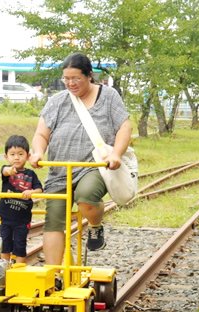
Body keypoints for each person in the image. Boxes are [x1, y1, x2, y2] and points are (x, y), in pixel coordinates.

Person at [30, 52, 132, 266]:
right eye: (66, 79)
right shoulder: (57, 101)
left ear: (89, 76)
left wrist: (116, 154)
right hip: (59, 170)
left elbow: (124, 126)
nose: (70, 83)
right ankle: (54, 273)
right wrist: (38, 151)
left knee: (85, 196)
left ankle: (95, 226)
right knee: (53, 222)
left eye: (75, 78)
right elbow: (41, 134)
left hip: (92, 166)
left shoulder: (108, 96)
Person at [0, 135, 43, 263]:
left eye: (20, 154)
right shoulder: (6, 170)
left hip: (22, 219)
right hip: (6, 217)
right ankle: (4, 270)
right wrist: (9, 170)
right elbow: (4, 171)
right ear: (6, 157)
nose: (16, 157)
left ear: (28, 156)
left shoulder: (31, 174)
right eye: (12, 154)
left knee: (20, 246)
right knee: (5, 246)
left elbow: (40, 189)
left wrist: (31, 191)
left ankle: (19, 270)